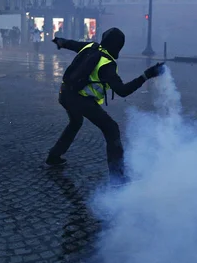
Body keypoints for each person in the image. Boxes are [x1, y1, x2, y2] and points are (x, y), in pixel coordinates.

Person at [47, 27, 165, 185]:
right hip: (80, 100)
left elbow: (71, 44)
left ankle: (54, 157)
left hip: (64, 93)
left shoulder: (90, 46)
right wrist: (146, 75)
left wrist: (59, 41)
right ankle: (118, 178)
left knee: (75, 122)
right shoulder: (106, 64)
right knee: (112, 129)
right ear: (118, 46)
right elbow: (123, 91)